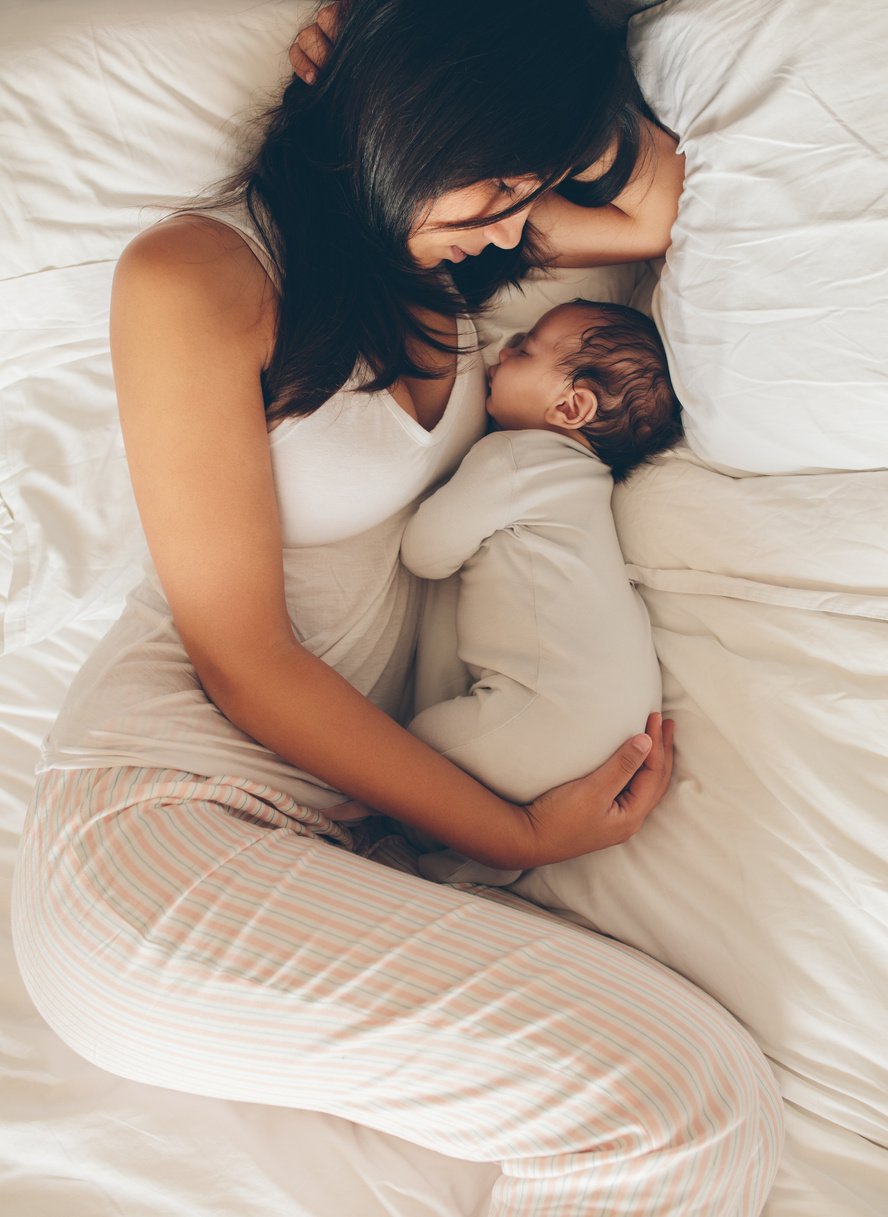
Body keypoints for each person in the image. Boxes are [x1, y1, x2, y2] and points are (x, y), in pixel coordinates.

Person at [11, 3, 783, 1214]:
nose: (527, 225)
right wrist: (508, 833)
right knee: (683, 1106)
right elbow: (245, 659)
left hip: (319, 833)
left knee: (686, 1106)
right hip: (161, 825)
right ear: (423, 122)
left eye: (533, 190)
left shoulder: (449, 256)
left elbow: (651, 210)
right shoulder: (200, 276)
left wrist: (551, 112)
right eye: (507, 187)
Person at [396, 299, 683, 886]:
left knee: (404, 754)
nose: (502, 352)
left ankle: (408, 842)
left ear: (571, 405)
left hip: (551, 723)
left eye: (524, 348)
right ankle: (471, 867)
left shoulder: (515, 456)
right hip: (606, 732)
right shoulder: (584, 483)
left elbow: (423, 554)